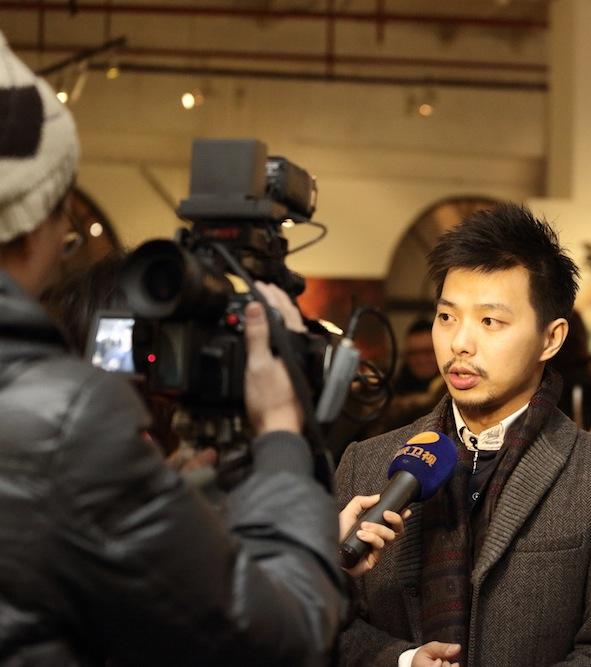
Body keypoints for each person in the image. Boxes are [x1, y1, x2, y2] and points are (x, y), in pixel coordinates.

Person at [0, 35, 401, 665]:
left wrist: (196, 513)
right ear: (32, 225)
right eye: (64, 226)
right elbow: (279, 636)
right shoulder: (67, 418)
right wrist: (281, 434)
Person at [334, 203, 591, 666]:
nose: (460, 343)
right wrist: (401, 661)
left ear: (551, 338)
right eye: (447, 317)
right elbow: (328, 628)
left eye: (490, 321)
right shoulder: (365, 465)